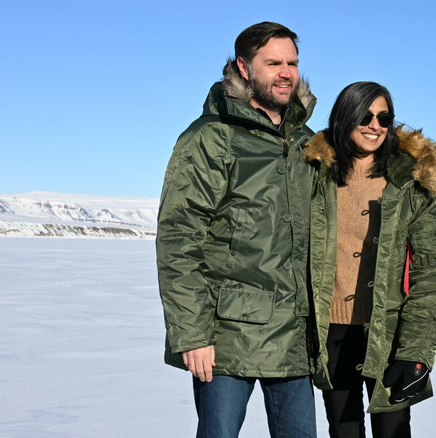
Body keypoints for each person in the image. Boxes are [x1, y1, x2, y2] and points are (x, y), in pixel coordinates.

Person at [156, 22, 317, 438]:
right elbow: (178, 238)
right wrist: (192, 334)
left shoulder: (307, 142)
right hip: (225, 337)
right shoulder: (212, 137)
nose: (286, 73)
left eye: (292, 63)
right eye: (274, 63)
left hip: (294, 335)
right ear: (244, 68)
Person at [304, 82, 436, 438]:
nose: (375, 125)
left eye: (384, 118)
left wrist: (415, 352)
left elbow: (433, 272)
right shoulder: (315, 176)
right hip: (330, 333)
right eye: (365, 116)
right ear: (344, 117)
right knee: (343, 429)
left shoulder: (408, 184)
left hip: (388, 335)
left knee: (393, 432)